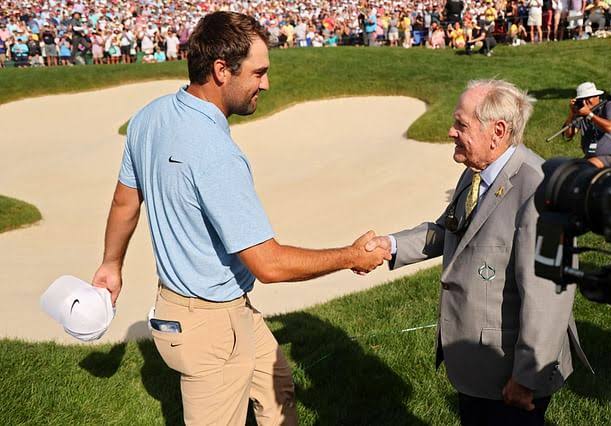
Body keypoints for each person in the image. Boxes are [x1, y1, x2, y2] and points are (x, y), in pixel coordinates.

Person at [91, 11, 389, 426]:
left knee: (277, 389)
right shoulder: (217, 154)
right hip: (212, 325)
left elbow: (125, 202)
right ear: (220, 70)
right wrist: (352, 257)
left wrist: (111, 264)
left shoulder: (149, 117)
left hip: (198, 308)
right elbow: (268, 264)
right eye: (258, 73)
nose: (265, 84)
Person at [365, 79, 591, 426]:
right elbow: (448, 229)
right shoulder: (478, 172)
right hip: (479, 370)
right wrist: (391, 245)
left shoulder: (540, 191)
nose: (451, 131)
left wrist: (526, 378)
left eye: (461, 124)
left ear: (497, 131)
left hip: (509, 374)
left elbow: (550, 295)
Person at [563, 81, 611, 168]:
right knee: (568, 170)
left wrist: (589, 114)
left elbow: (610, 127)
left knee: (586, 167)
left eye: (588, 98)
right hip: (590, 157)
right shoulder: (582, 112)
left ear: (597, 96)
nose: (585, 102)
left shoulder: (610, 105)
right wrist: (572, 113)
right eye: (582, 99)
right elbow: (569, 134)